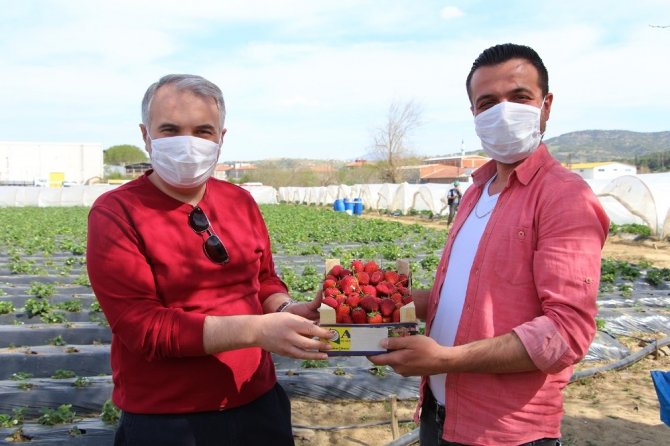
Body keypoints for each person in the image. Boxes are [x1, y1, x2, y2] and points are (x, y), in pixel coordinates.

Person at [370, 43, 609, 445]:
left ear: (545, 106)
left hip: (504, 430)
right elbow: (464, 299)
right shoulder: (475, 193)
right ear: (474, 115)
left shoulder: (564, 196)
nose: (502, 112)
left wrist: (446, 359)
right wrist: (384, 300)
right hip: (439, 414)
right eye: (487, 103)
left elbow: (567, 332)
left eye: (519, 98)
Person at [86, 74, 332, 445]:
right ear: (145, 134)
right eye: (170, 130)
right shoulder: (117, 212)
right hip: (168, 419)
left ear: (221, 137)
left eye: (202, 131)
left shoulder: (240, 201)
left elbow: (263, 278)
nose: (188, 144)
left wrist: (283, 307)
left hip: (257, 399)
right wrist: (258, 329)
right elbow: (144, 328)